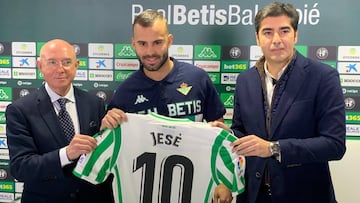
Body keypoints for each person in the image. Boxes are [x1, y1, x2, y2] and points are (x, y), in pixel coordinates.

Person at [211, 2, 346, 203]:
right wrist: (229, 135)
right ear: (257, 38)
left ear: (295, 35)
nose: (276, 40)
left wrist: (274, 148)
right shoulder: (244, 80)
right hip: (254, 196)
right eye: (267, 32)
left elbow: (334, 145)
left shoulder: (323, 77)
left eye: (284, 31)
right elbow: (243, 133)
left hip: (305, 196)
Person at [100, 9, 234, 203]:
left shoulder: (197, 79)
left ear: (169, 40)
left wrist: (223, 182)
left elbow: (219, 134)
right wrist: (107, 125)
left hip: (196, 191)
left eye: (157, 42)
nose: (150, 52)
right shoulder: (125, 92)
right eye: (142, 43)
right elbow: (111, 146)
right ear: (133, 44)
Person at [6, 39, 114, 203]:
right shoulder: (20, 110)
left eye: (67, 62)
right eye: (52, 62)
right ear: (40, 66)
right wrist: (65, 154)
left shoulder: (95, 104)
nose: (60, 69)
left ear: (76, 65)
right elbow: (21, 167)